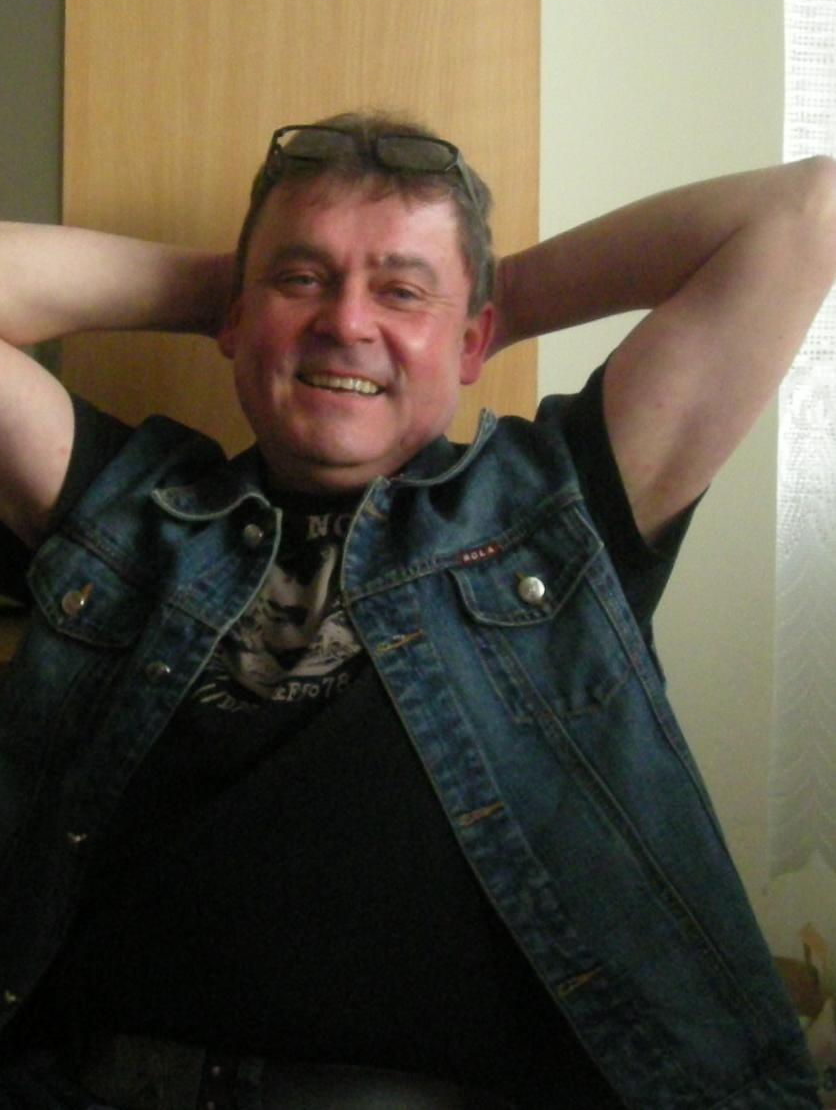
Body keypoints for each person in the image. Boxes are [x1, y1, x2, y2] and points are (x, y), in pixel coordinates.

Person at [0, 113, 833, 1110]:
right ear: (233, 318)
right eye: (305, 278)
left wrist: (493, 296)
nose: (346, 322)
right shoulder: (131, 512)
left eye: (399, 291)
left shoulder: (552, 514)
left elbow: (807, 210)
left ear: (473, 337)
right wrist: (238, 291)